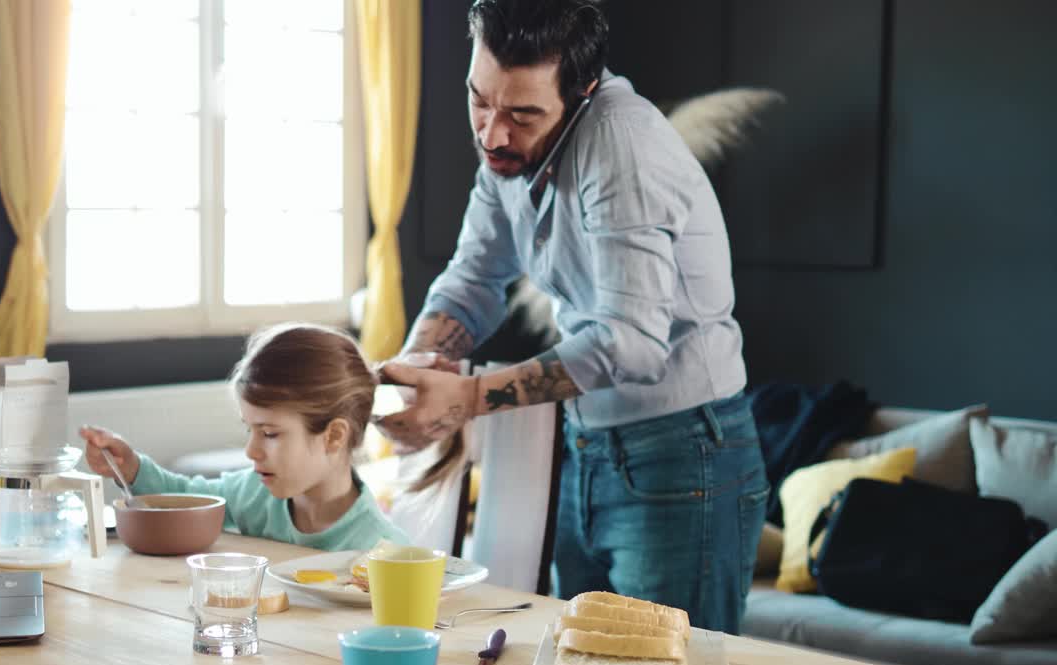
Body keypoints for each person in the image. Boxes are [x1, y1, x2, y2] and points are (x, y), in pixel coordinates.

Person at [373, 0, 768, 633]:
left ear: (582, 92)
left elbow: (631, 344)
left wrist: (468, 397)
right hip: (585, 446)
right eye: (480, 100)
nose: (493, 133)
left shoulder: (622, 148)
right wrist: (421, 364)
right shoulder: (506, 150)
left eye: (523, 113)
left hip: (682, 453)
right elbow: (474, 276)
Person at [81, 323, 409, 552]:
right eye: (249, 429)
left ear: (334, 436)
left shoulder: (383, 549)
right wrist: (132, 468)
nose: (251, 451)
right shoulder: (254, 494)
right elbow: (185, 498)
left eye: (269, 433)